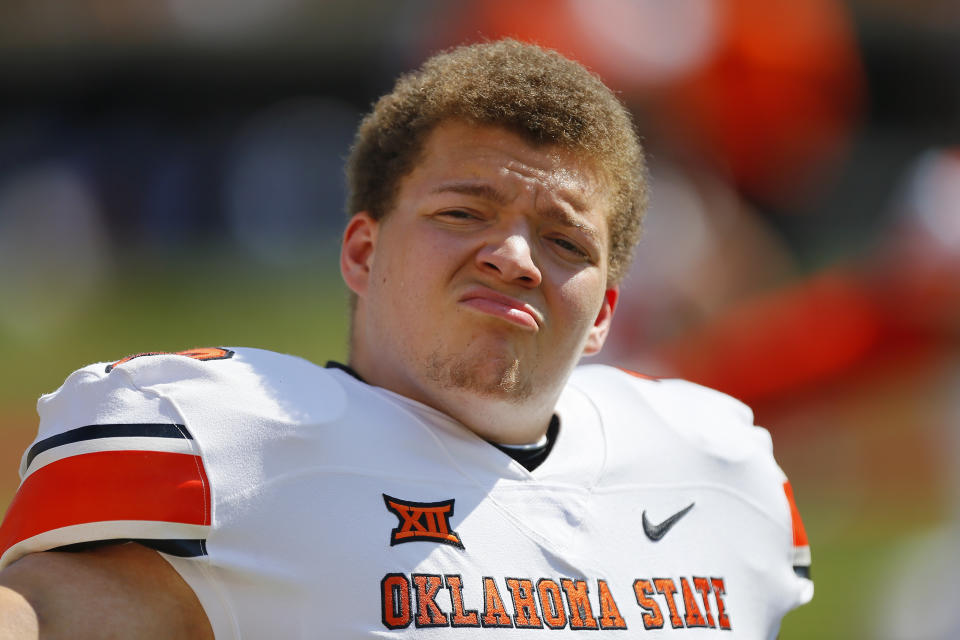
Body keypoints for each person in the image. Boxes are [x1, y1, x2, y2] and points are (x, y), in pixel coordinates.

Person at [0, 40, 812, 638]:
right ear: (362, 251)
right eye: (464, 214)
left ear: (604, 315)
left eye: (566, 243)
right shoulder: (226, 451)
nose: (516, 258)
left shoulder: (722, 481)